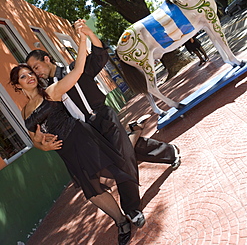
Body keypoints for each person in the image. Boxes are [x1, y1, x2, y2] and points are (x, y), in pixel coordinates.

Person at [10, 28, 141, 245]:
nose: (31, 77)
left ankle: (133, 137)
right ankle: (121, 221)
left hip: (81, 138)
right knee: (93, 192)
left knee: (117, 167)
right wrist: (46, 147)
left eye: (31, 73)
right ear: (17, 85)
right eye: (24, 76)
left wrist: (82, 39)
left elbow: (79, 69)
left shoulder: (51, 92)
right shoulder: (24, 112)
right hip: (65, 151)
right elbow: (34, 139)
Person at [26, 20, 181, 171]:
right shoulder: (48, 92)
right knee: (123, 149)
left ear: (46, 59)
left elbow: (99, 57)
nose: (37, 72)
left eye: (36, 66)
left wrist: (89, 34)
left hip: (102, 115)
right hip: (85, 128)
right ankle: (169, 151)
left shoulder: (74, 69)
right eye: (33, 70)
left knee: (121, 154)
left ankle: (142, 136)